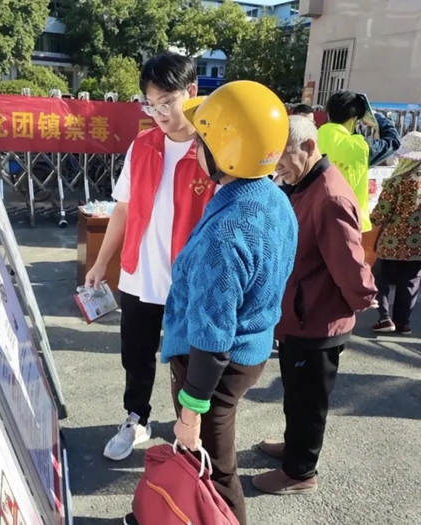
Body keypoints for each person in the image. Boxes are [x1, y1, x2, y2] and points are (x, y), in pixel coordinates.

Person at [124, 81, 297, 525]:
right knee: (206, 459)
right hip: (249, 349)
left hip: (213, 368)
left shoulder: (226, 232)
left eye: (202, 140)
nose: (196, 146)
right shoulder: (274, 200)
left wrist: (191, 412)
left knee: (214, 469)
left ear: (225, 152)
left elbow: (213, 336)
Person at [84, 52, 217, 462]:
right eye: (150, 104)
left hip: (188, 280)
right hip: (140, 276)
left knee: (189, 364)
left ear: (191, 92)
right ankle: (136, 418)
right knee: (136, 356)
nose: (158, 114)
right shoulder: (142, 145)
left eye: (167, 103)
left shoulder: (212, 149)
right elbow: (123, 208)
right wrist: (100, 263)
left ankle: (191, 433)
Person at [253, 116, 377, 496]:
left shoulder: (329, 196)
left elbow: (350, 263)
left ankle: (300, 471)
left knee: (308, 401)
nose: (277, 169)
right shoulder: (305, 184)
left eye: (282, 159)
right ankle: (294, 447)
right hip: (300, 314)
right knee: (296, 393)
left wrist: (364, 297)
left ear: (308, 147)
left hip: (317, 320)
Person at [369, 132, 421, 334]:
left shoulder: (396, 181)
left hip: (391, 242)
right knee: (410, 283)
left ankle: (384, 318)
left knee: (380, 278)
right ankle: (403, 323)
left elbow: (380, 215)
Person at [318, 90, 401, 234]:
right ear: (355, 118)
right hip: (348, 220)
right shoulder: (362, 147)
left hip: (315, 217)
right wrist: (378, 118)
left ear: (329, 113)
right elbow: (393, 141)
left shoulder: (312, 136)